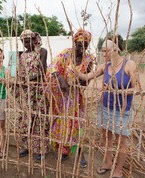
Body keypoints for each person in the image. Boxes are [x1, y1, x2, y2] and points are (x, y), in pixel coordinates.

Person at [68, 35, 140, 178]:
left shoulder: (129, 65)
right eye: (102, 51)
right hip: (106, 107)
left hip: (122, 110)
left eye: (105, 51)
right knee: (106, 137)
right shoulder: (105, 66)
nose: (103, 54)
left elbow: (136, 88)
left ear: (115, 50)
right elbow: (87, 77)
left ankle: (118, 171)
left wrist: (117, 91)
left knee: (121, 141)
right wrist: (75, 71)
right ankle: (107, 163)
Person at [46, 28, 94, 166]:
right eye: (79, 44)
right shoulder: (66, 54)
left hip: (76, 99)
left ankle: (80, 154)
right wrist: (61, 79)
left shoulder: (88, 59)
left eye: (85, 45)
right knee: (62, 124)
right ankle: (64, 150)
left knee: (77, 124)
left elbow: (85, 83)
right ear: (74, 43)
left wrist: (81, 79)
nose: (82, 48)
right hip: (61, 97)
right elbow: (51, 67)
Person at [16, 29, 49, 161]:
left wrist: (30, 80)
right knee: (25, 119)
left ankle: (41, 149)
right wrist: (21, 83)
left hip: (39, 91)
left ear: (34, 39)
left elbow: (43, 71)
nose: (26, 44)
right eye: (23, 41)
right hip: (26, 92)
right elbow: (20, 73)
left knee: (39, 119)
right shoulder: (22, 56)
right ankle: (26, 146)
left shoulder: (42, 51)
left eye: (28, 41)